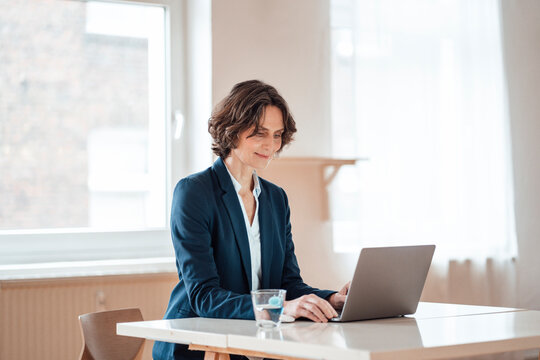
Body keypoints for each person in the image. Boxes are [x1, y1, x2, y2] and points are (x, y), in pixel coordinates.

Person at [153, 80, 349, 360]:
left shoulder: (276, 199)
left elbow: (288, 283)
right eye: (260, 133)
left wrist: (331, 300)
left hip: (256, 342)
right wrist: (280, 307)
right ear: (232, 131)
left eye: (278, 134)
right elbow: (203, 296)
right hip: (200, 347)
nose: (271, 145)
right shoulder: (194, 192)